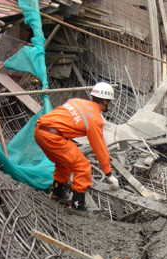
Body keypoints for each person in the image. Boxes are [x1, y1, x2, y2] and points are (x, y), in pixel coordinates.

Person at [34, 82, 119, 214]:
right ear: (104, 101)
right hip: (53, 137)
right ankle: (77, 205)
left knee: (65, 162)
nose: (110, 104)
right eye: (110, 102)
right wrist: (108, 174)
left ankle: (57, 193)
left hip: (40, 131)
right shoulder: (95, 119)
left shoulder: (77, 101)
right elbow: (99, 147)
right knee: (83, 167)